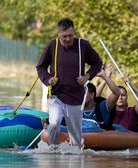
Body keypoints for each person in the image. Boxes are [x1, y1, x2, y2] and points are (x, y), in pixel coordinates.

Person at [36, 18, 102, 147]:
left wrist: (87, 76)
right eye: (64, 36)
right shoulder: (52, 46)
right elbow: (40, 67)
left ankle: (76, 158)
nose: (67, 39)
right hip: (56, 95)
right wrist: (48, 79)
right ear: (58, 34)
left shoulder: (82, 45)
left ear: (74, 33)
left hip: (76, 97)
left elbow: (98, 62)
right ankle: (52, 150)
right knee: (54, 123)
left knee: (76, 139)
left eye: (70, 36)